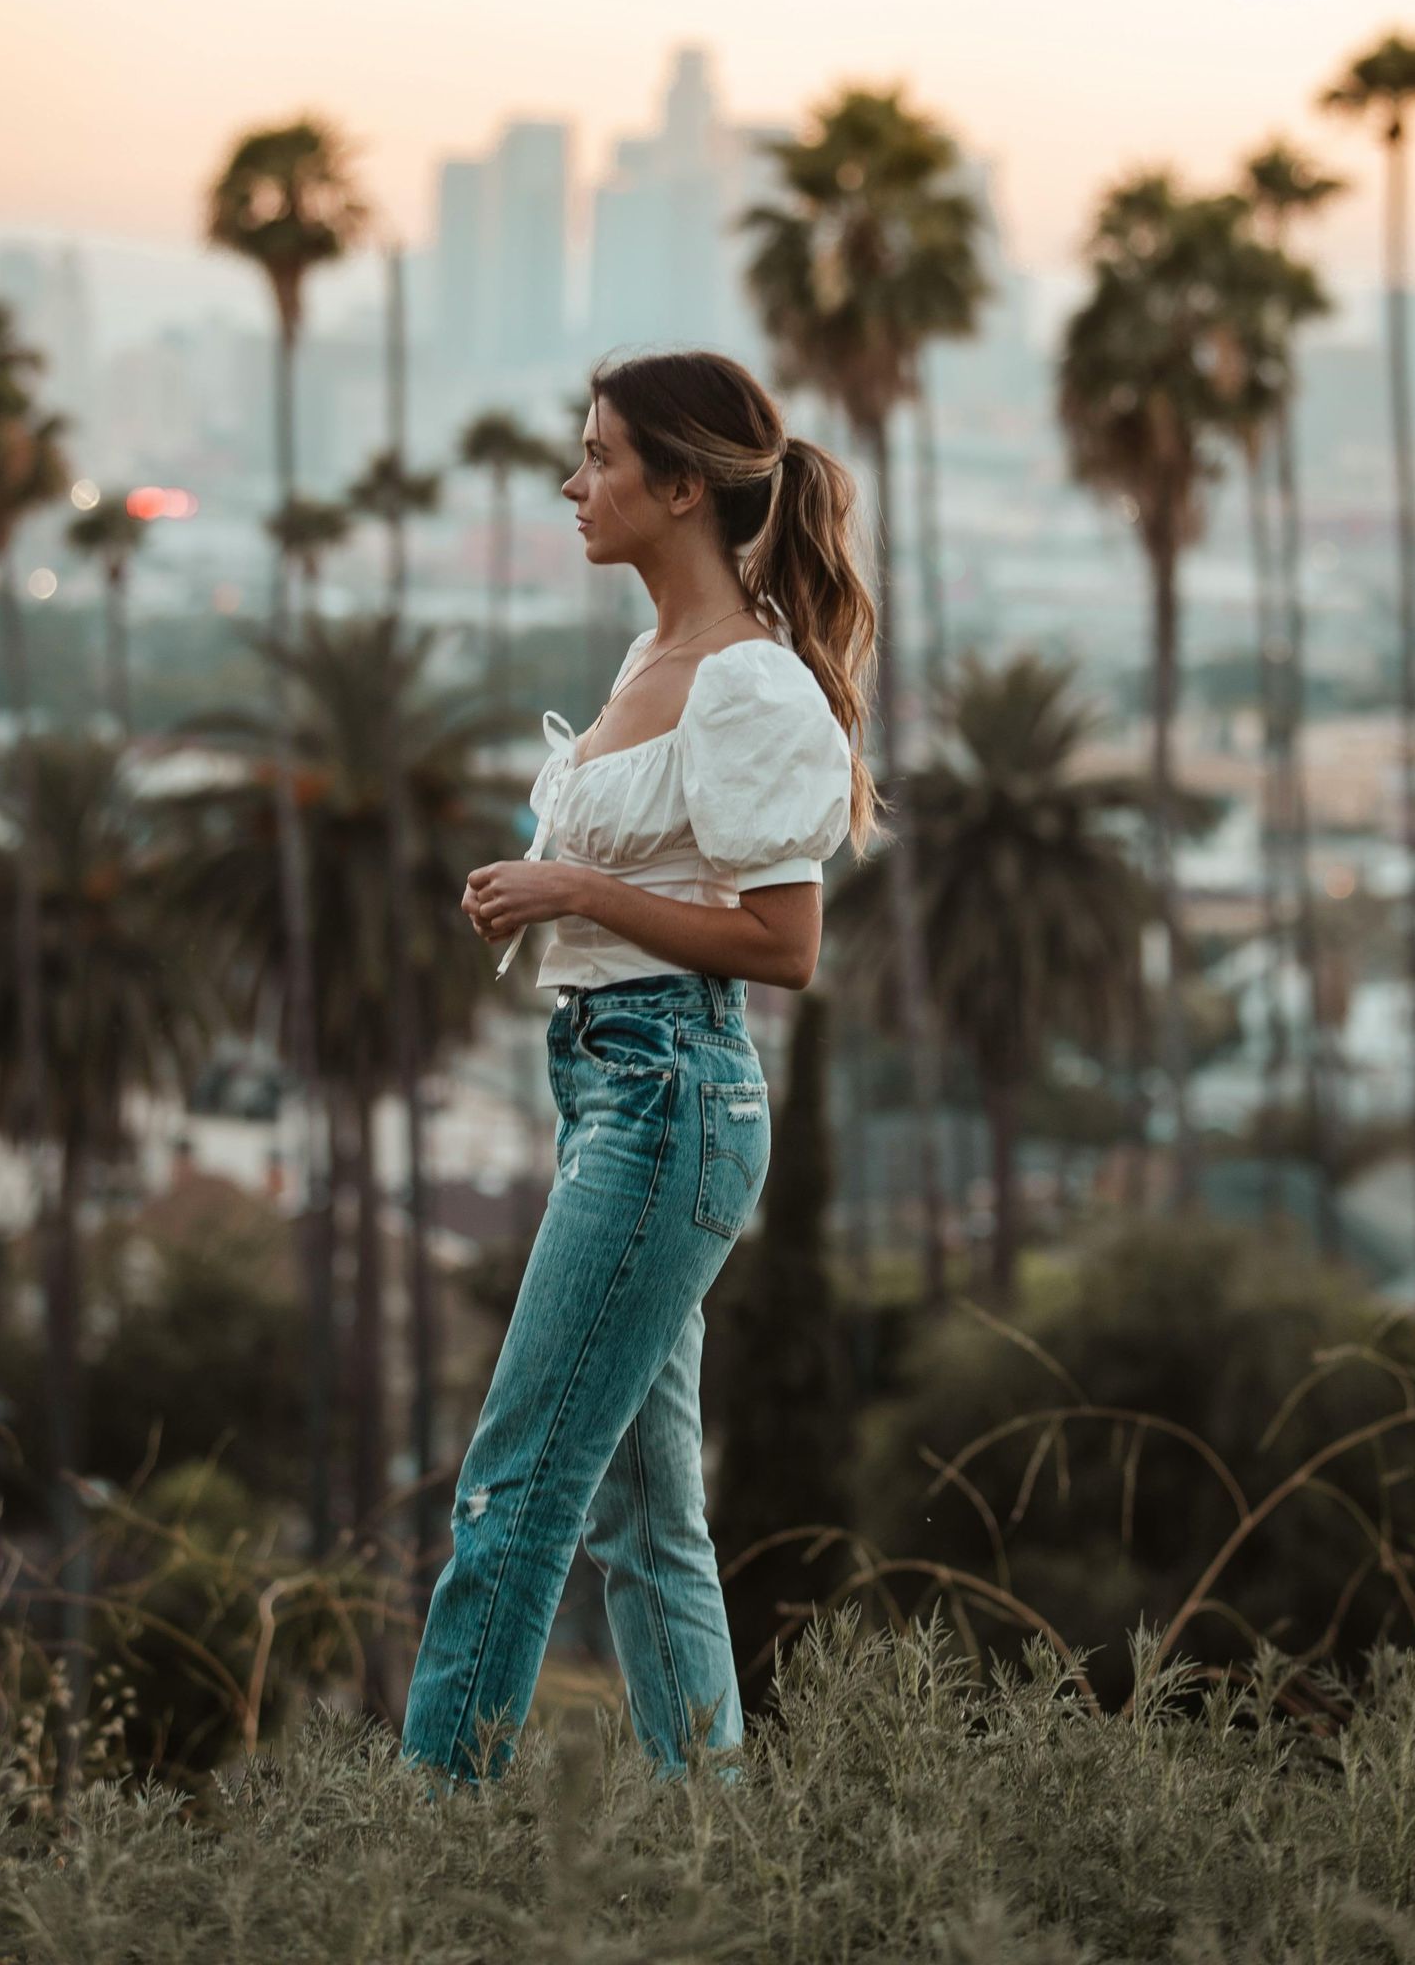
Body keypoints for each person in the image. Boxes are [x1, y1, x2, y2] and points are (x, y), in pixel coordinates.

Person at [400, 347, 876, 1783]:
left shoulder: (746, 687)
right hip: (612, 1089)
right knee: (642, 1519)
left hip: (672, 1102)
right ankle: (711, 1846)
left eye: (601, 457)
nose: (574, 482)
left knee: (517, 1488)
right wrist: (562, 887)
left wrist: (576, 892)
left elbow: (784, 946)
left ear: (682, 486)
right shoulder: (651, 660)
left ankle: (423, 1843)